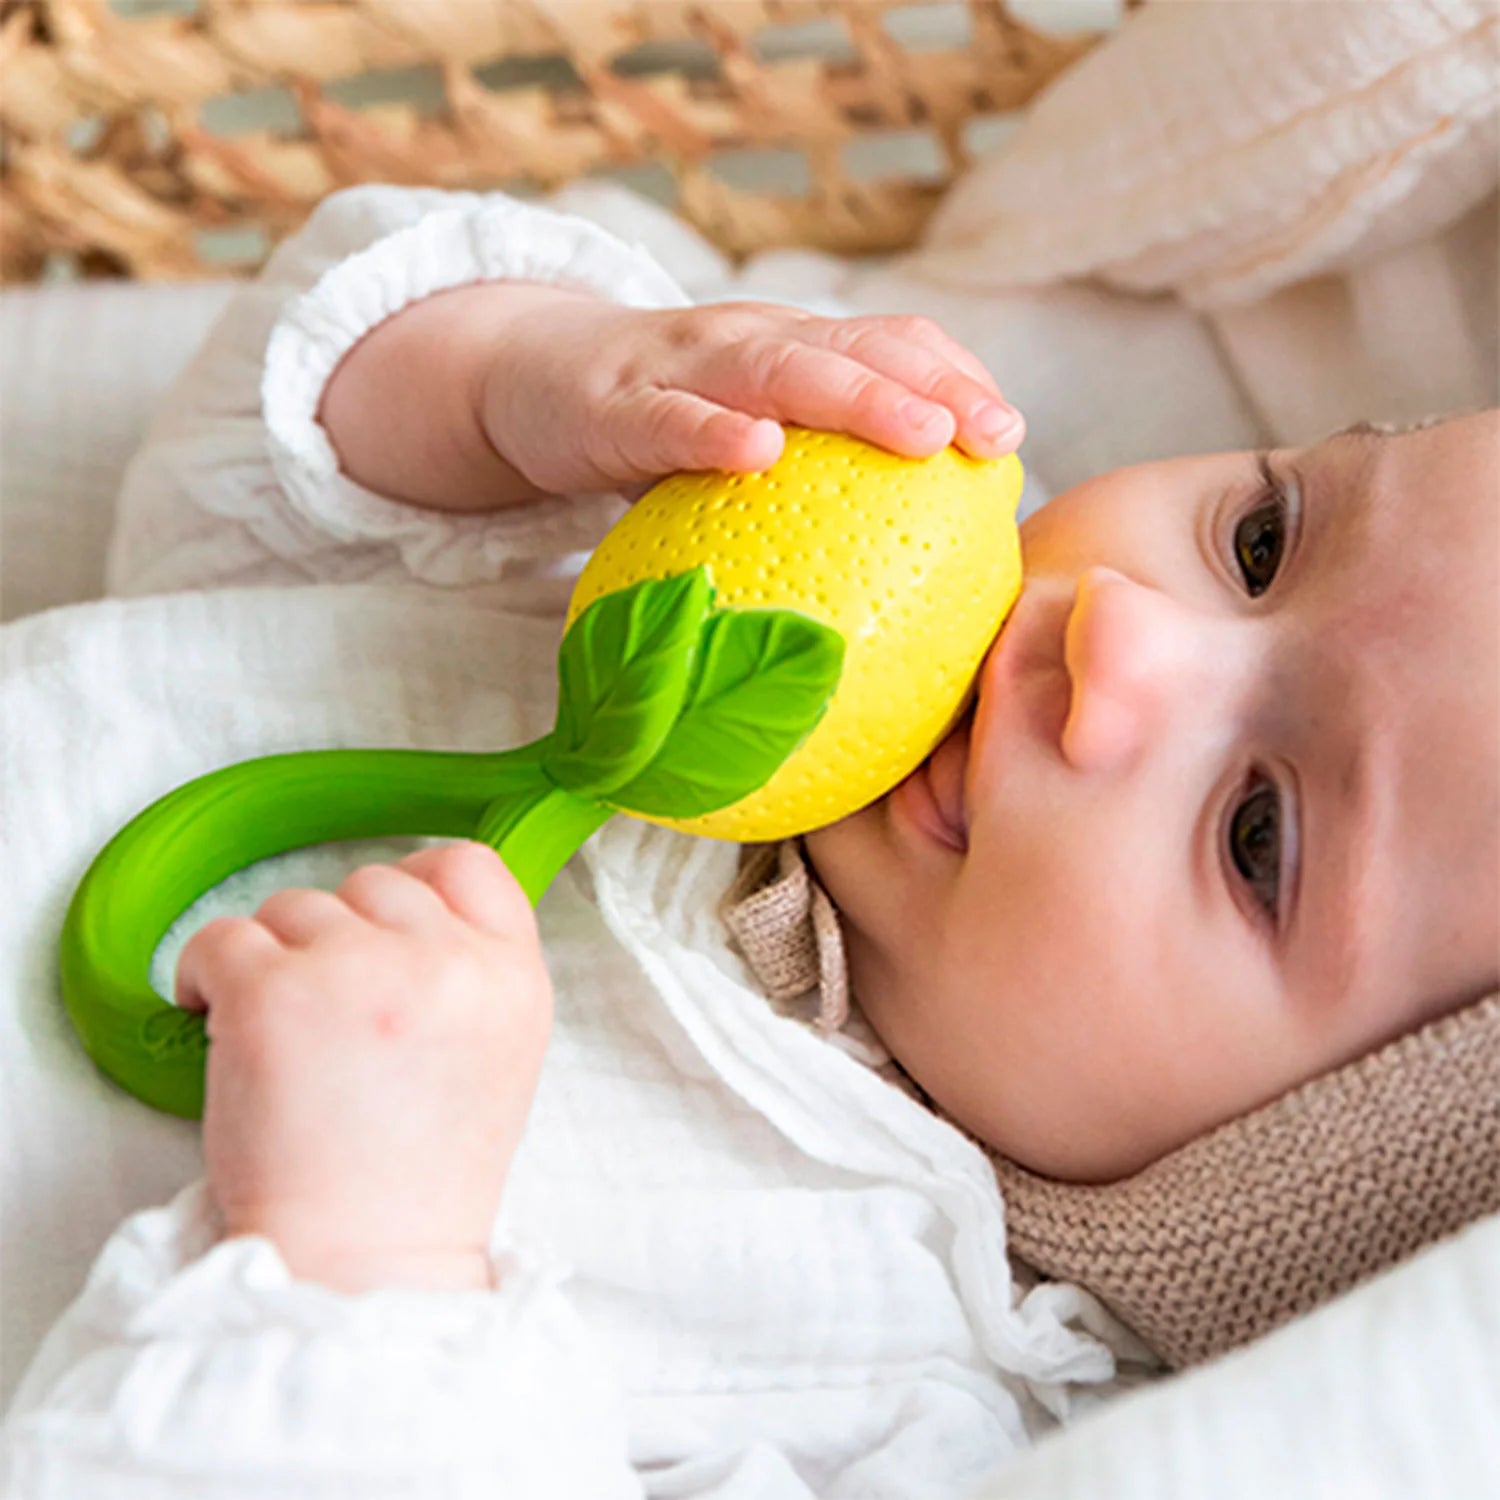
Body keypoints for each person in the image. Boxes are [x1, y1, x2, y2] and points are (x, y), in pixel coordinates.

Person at [3, 184, 1495, 1497]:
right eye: (1262, 540)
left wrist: (364, 1258)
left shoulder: (916, 1400)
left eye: (1256, 836)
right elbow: (203, 521)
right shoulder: (751, 572)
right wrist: (520, 385)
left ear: (1288, 1186)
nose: (1117, 643)